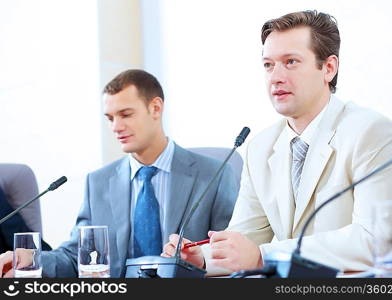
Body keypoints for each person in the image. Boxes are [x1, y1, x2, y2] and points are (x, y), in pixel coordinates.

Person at [162, 10, 392, 275]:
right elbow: (246, 237)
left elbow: (378, 240)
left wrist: (263, 256)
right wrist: (203, 258)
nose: (275, 77)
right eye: (268, 65)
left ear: (329, 68)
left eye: (290, 62)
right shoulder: (260, 147)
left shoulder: (369, 130)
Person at [0, 69, 238, 278]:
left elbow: (230, 254)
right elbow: (75, 257)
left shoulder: (215, 174)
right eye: (110, 118)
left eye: (125, 114)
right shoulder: (98, 182)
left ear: (155, 108)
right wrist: (29, 258)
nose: (115, 127)